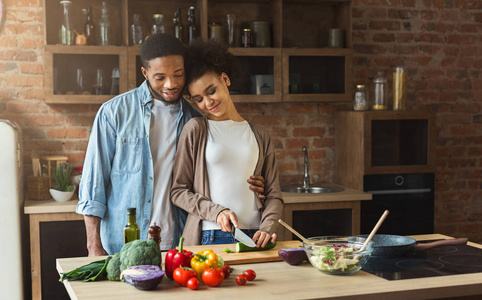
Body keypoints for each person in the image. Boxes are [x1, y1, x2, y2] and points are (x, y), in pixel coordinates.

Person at [76, 33, 265, 255]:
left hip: (179, 243)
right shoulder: (114, 113)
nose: (171, 84)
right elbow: (93, 187)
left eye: (178, 74)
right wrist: (93, 245)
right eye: (160, 77)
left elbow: (215, 172)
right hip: (123, 244)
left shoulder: (196, 118)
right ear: (145, 73)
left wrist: (253, 185)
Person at [170, 38, 283, 247]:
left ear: (225, 79)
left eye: (211, 91)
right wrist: (217, 211)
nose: (208, 102)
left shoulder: (260, 135)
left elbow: (274, 196)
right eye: (199, 98)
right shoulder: (196, 129)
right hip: (212, 234)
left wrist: (268, 228)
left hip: (256, 236)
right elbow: (178, 191)